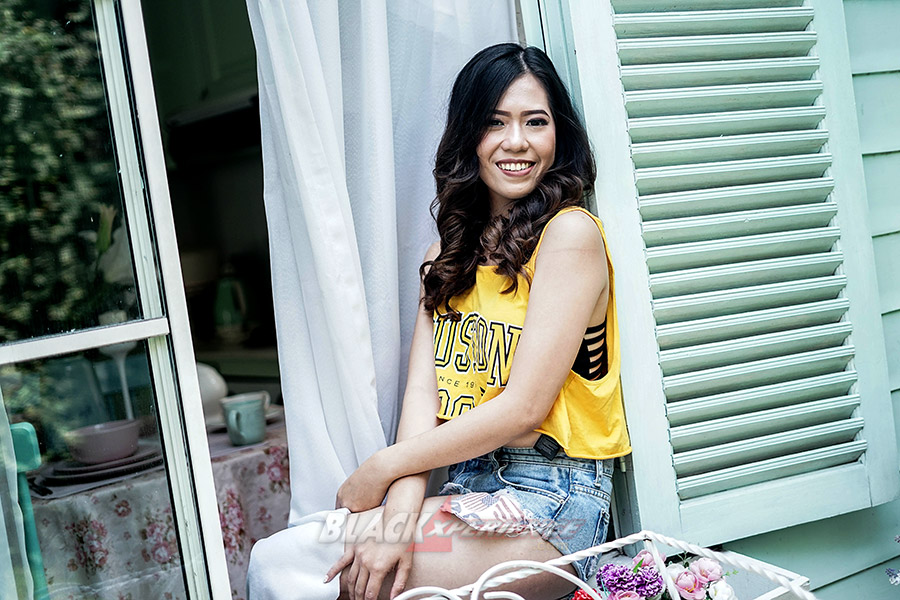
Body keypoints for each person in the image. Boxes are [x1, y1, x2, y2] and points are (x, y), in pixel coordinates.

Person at [248, 43, 631, 600]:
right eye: (495, 122)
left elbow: (524, 411)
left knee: (303, 567)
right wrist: (399, 520)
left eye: (536, 122)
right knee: (293, 554)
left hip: (548, 511)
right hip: (465, 497)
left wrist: (381, 468)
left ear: (559, 135)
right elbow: (421, 401)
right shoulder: (444, 260)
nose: (517, 141)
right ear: (468, 136)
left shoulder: (569, 235)